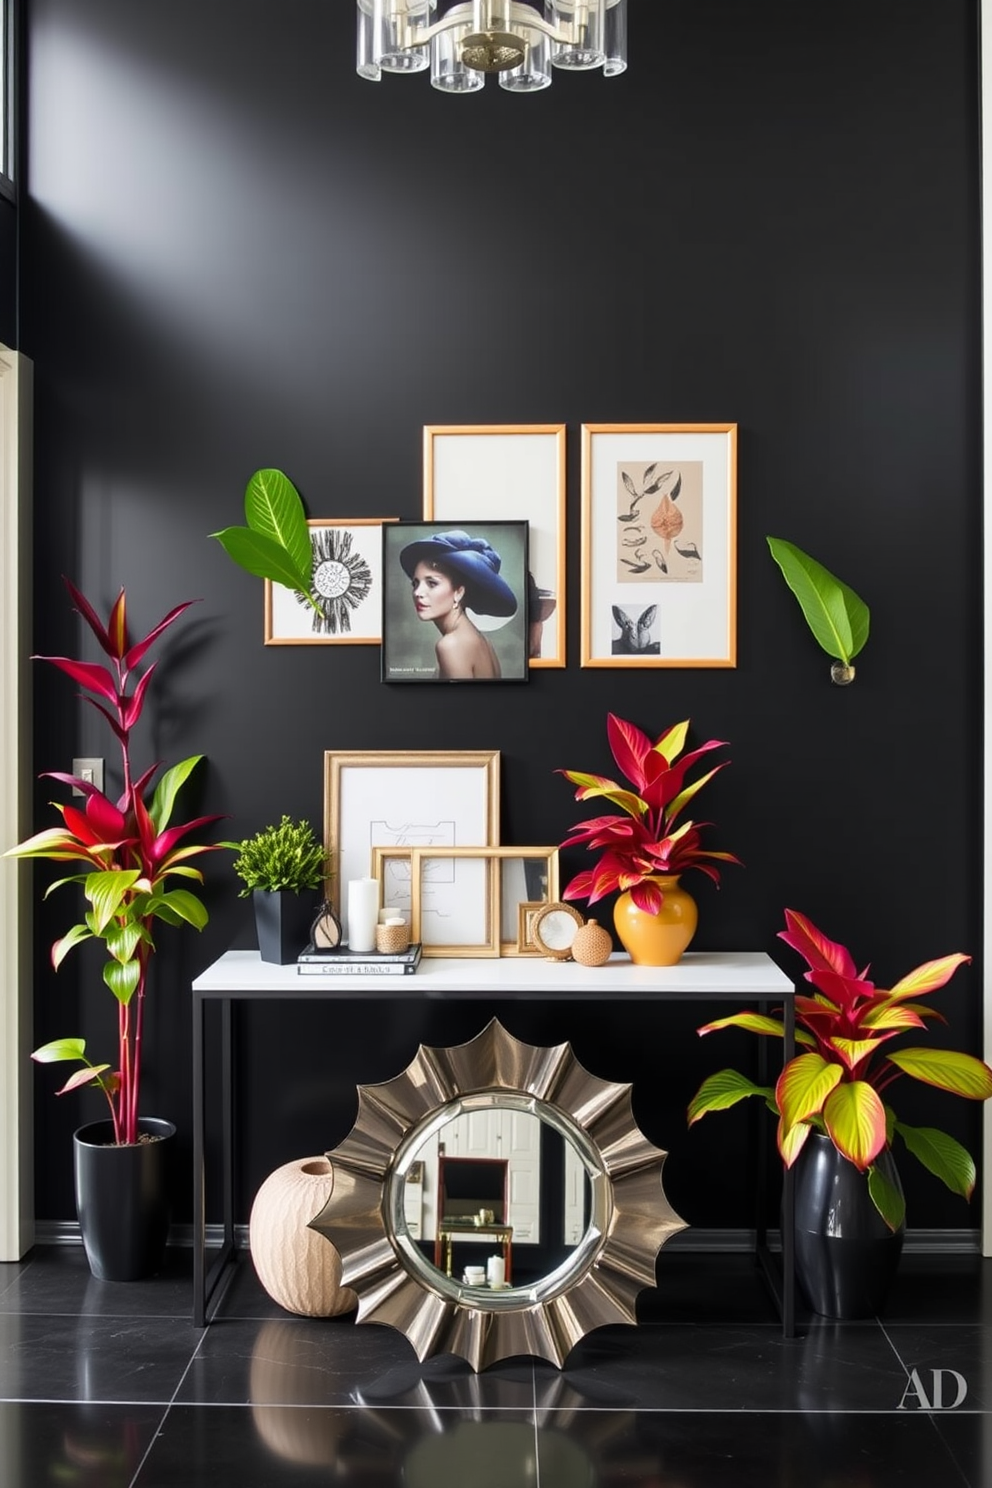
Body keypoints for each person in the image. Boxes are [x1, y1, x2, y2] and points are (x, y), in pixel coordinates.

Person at [398, 530, 517, 680]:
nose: (417, 593)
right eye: (415, 584)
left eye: (432, 583)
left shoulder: (451, 645)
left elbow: (456, 703)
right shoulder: (483, 642)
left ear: (458, 592)